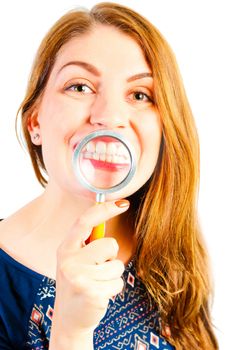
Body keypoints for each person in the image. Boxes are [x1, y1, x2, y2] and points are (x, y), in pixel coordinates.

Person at [0, 2, 218, 349]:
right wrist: (71, 333)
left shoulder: (169, 247)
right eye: (80, 87)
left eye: (140, 94)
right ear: (35, 120)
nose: (110, 116)